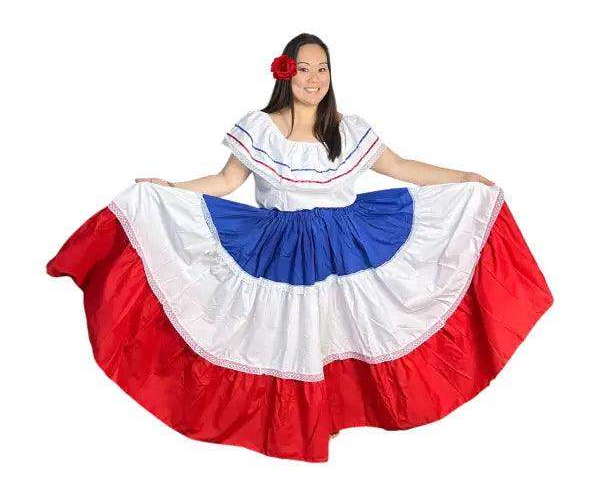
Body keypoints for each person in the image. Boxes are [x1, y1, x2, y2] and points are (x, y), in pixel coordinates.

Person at [46, 32, 553, 462]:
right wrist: (169, 190)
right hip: (281, 249)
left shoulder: (348, 129)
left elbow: (401, 168)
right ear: (285, 73)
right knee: (287, 335)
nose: (314, 78)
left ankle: (340, 414)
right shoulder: (260, 128)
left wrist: (463, 177)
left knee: (344, 330)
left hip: (347, 247)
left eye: (323, 69)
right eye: (305, 68)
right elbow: (226, 182)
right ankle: (295, 426)